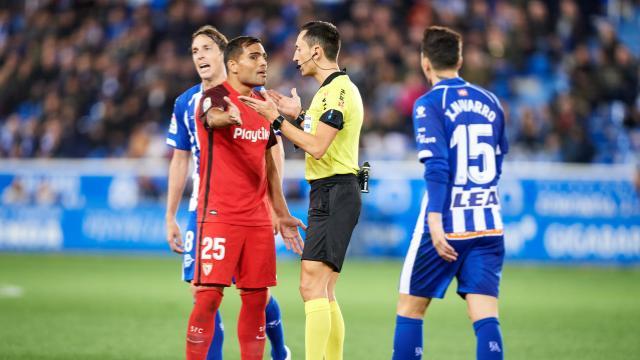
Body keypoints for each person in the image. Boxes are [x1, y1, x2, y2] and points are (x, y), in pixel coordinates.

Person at [165, 27, 293, 360]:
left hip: (256, 214)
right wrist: (170, 215)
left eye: (206, 49)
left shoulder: (264, 101)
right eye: (195, 51)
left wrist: (278, 208)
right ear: (235, 63)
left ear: (223, 55)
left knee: (257, 296)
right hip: (213, 212)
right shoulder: (205, 98)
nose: (200, 57)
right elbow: (210, 118)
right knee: (205, 294)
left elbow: (272, 156)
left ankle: (279, 351)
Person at [240, 21, 363, 360]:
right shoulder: (330, 92)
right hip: (333, 191)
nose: (294, 56)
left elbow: (319, 147)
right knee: (324, 290)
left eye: (298, 48)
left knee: (310, 286)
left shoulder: (337, 90)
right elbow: (325, 135)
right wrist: (300, 115)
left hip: (335, 191)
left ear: (316, 51)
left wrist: (276, 121)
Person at [391, 26, 508, 360]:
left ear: (424, 62)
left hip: (446, 223)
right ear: (459, 59)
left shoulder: (429, 103)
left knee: (411, 308)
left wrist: (436, 220)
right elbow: (499, 160)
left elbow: (438, 167)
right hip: (488, 222)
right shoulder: (491, 101)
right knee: (485, 315)